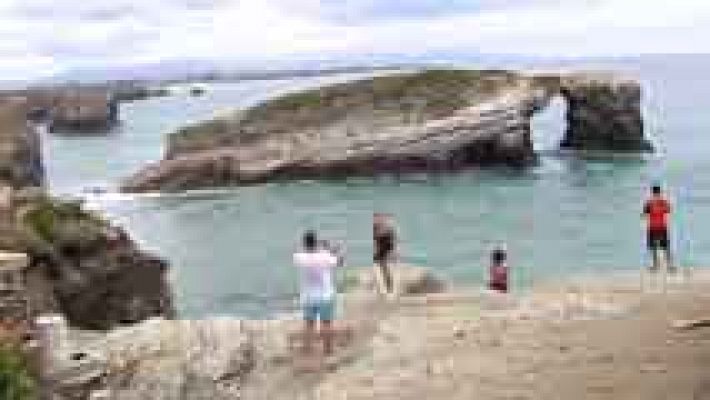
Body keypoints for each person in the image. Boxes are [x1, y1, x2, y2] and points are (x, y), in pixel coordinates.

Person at [293, 230, 340, 354]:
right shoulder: (325, 256)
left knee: (309, 324)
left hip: (308, 297)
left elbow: (299, 253)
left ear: (304, 243)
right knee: (326, 323)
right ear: (316, 242)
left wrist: (317, 247)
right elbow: (339, 261)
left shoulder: (300, 257)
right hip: (325, 295)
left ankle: (307, 349)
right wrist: (328, 248)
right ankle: (328, 350)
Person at [643, 184, 674, 272]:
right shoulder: (663, 202)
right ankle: (670, 266)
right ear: (659, 192)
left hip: (653, 227)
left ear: (652, 192)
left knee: (653, 248)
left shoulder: (649, 203)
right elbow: (669, 210)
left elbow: (644, 213)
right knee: (666, 247)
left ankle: (655, 266)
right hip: (662, 227)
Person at [373, 213, 396, 294]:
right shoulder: (376, 227)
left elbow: (392, 242)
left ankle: (389, 288)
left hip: (384, 248)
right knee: (382, 268)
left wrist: (392, 252)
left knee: (384, 268)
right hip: (381, 248)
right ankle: (382, 288)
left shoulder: (387, 229)